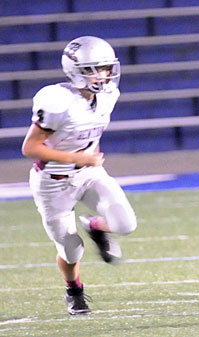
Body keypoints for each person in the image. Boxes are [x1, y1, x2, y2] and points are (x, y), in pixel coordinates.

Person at [21, 36, 137, 315]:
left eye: (106, 68)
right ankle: (74, 290)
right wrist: (77, 157)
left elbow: (88, 134)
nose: (103, 75)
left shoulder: (108, 95)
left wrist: (86, 160)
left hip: (88, 174)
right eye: (95, 69)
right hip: (53, 183)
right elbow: (30, 147)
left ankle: (97, 227)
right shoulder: (56, 100)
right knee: (71, 249)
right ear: (76, 71)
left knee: (125, 223)